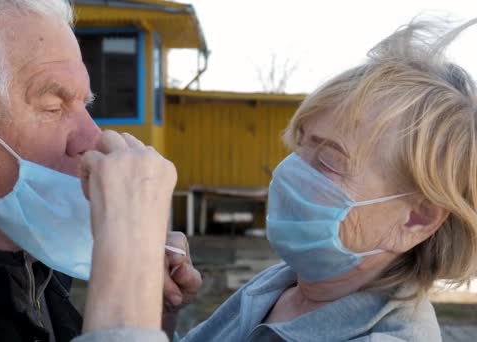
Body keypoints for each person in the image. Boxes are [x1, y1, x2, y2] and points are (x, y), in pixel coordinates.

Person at [86, 19, 477, 341]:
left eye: (327, 161)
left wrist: (124, 265)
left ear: (416, 220)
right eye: (300, 146)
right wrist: (154, 302)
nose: (291, 171)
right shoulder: (281, 286)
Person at [0, 1, 201, 341]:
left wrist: (147, 297)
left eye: (84, 106)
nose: (93, 138)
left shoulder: (32, 275)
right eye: (54, 107)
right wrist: (127, 295)